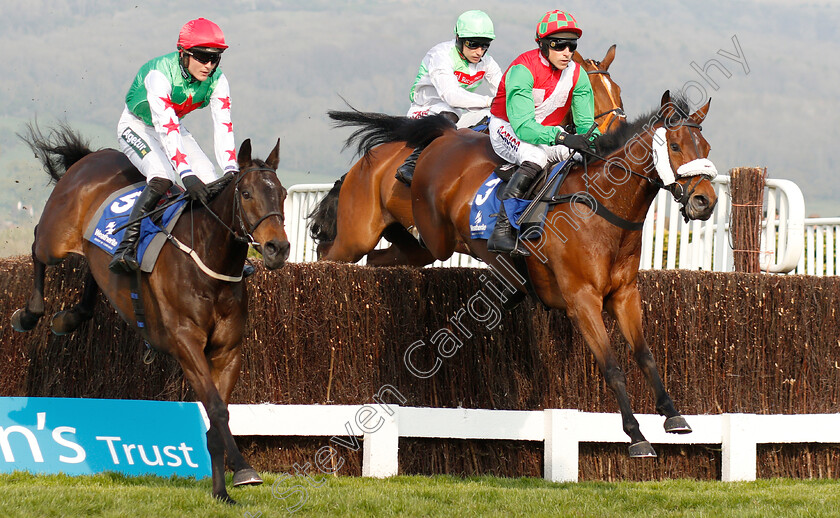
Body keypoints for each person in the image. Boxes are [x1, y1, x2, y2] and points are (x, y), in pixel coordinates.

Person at [109, 18, 238, 273]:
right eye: (202, 57)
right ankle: (126, 247)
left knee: (213, 181)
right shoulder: (159, 74)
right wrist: (186, 175)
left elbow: (223, 127)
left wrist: (231, 169)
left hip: (173, 126)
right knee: (163, 176)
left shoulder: (218, 80)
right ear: (184, 53)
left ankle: (214, 252)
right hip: (137, 126)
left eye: (216, 58)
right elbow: (164, 125)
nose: (209, 65)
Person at [486, 10, 600, 255]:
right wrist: (563, 138)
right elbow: (524, 127)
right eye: (559, 45)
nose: (567, 52)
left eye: (571, 45)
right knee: (536, 157)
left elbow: (585, 125)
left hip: (546, 131)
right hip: (507, 127)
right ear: (543, 44)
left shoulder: (578, 75)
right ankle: (502, 230)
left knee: (582, 156)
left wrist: (594, 142)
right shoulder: (522, 69)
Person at [396, 10, 502, 185]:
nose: (479, 52)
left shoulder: (487, 62)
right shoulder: (441, 55)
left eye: (485, 46)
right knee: (449, 112)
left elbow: (503, 91)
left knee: (493, 116)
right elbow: (451, 96)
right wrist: (490, 101)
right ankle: (411, 164)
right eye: (473, 44)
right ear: (458, 38)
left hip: (456, 111)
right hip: (425, 110)